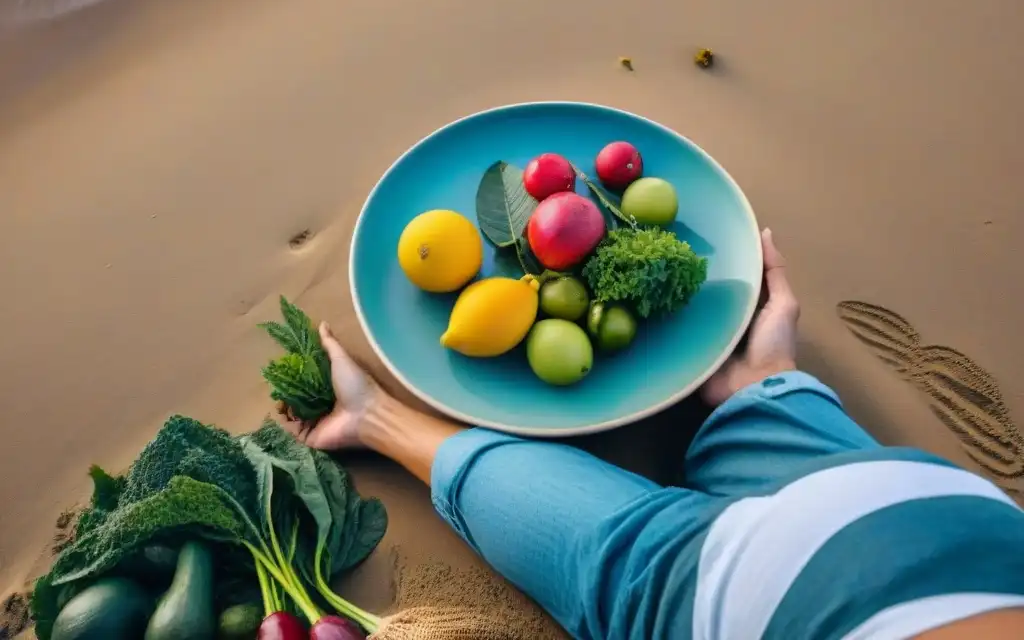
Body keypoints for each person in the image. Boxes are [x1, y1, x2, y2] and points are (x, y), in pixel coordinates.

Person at [287, 229, 1024, 640]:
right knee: (622, 544)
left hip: (742, 592)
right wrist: (771, 389)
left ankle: (376, 417)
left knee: (610, 559)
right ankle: (757, 393)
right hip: (942, 525)